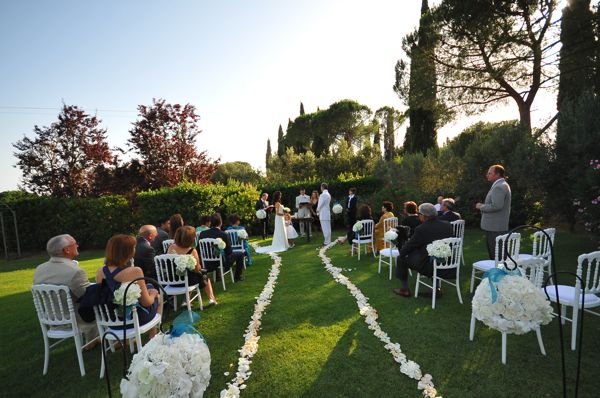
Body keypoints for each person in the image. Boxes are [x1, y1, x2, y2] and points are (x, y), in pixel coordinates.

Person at [33, 234, 98, 348]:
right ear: (67, 250)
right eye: (74, 243)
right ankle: (98, 339)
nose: (77, 245)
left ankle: (93, 340)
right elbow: (88, 298)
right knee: (106, 302)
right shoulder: (74, 271)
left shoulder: (39, 269)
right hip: (74, 320)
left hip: (52, 319)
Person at [95, 235, 162, 336]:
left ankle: (125, 340)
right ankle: (153, 335)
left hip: (112, 321)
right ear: (128, 251)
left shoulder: (100, 271)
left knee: (149, 286)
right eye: (134, 247)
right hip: (133, 320)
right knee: (158, 297)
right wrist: (153, 294)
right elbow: (146, 302)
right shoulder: (135, 271)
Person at [393, 203, 454, 298]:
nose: (418, 216)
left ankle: (405, 289)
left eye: (419, 214)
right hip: (447, 263)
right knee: (427, 254)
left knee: (401, 258)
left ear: (424, 216)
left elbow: (408, 247)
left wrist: (402, 252)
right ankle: (436, 288)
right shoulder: (447, 225)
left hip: (429, 265)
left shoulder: (421, 229)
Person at [167, 225, 217, 305]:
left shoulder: (171, 248)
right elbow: (197, 269)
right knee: (203, 274)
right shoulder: (192, 251)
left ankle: (186, 301)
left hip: (173, 282)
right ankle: (211, 299)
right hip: (187, 282)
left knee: (190, 275)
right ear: (190, 239)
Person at [476, 164, 511, 260]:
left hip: (495, 228)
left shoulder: (499, 187)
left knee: (496, 255)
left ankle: (498, 273)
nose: (487, 175)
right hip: (496, 227)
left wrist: (481, 206)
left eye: (489, 173)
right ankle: (499, 272)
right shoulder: (501, 185)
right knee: (497, 253)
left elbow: (497, 206)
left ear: (497, 174)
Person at [199, 213, 245, 281]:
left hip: (207, 263)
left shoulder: (202, 234)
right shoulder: (223, 234)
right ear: (220, 222)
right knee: (240, 254)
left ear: (211, 222)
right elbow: (229, 252)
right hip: (221, 262)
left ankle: (218, 276)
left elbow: (198, 249)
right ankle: (237, 277)